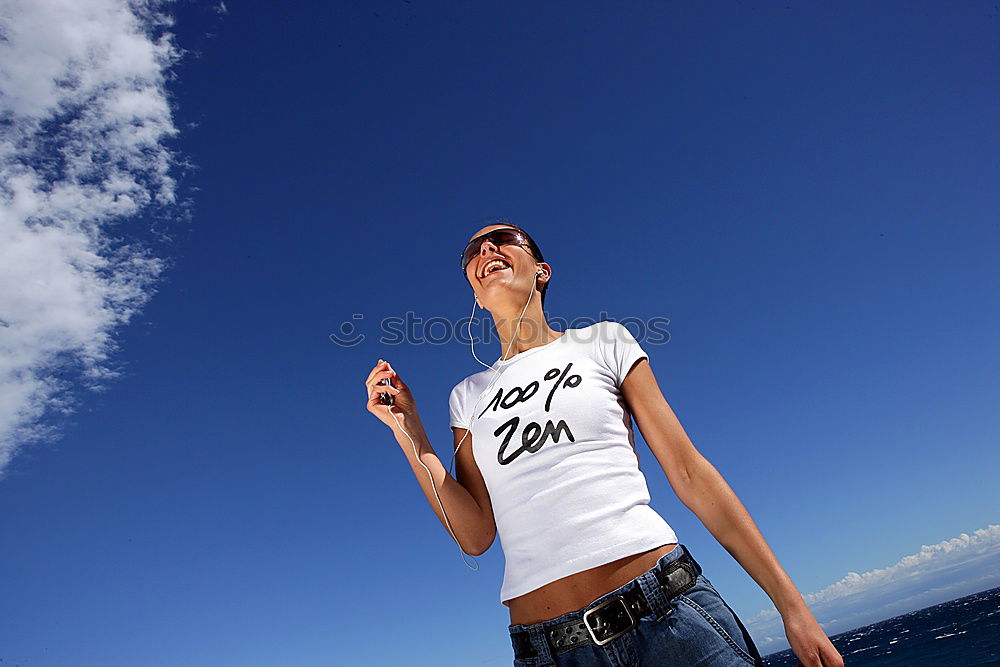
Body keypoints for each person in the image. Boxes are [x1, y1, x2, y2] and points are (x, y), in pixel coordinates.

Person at [365, 222, 844, 666]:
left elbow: (689, 472)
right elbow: (475, 536)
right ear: (474, 289)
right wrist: (410, 432)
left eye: (504, 239)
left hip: (670, 617)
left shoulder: (604, 342)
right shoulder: (466, 396)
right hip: (550, 650)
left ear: (541, 270)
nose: (486, 249)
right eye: (473, 251)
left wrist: (791, 606)